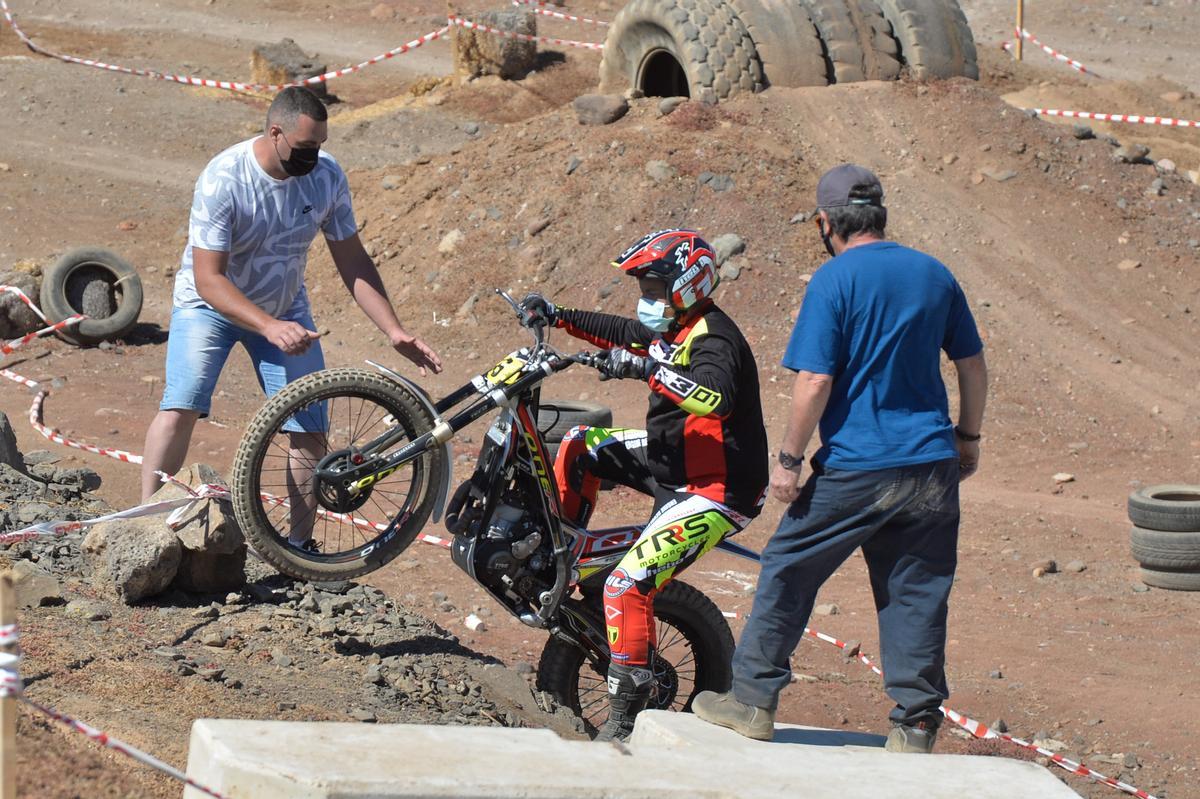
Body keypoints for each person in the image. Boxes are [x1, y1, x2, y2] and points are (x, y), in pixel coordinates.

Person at [693, 165, 988, 753]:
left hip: (858, 465)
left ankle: (751, 700)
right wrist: (968, 438)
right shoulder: (934, 274)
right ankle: (916, 723)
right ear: (880, 213)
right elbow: (972, 365)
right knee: (917, 589)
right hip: (930, 464)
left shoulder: (834, 280)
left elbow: (815, 380)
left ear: (827, 222)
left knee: (788, 567)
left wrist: (789, 460)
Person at [140, 87, 442, 549]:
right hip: (211, 308)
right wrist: (267, 326)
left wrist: (393, 330)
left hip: (285, 308)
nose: (315, 156)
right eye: (306, 148)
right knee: (180, 408)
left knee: (310, 429)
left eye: (320, 145)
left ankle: (301, 549)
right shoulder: (225, 178)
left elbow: (352, 259)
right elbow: (209, 279)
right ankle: (146, 527)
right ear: (275, 133)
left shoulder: (326, 176)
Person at [521, 229, 769, 741]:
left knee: (626, 584)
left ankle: (625, 714)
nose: (647, 301)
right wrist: (558, 314)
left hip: (716, 489)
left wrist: (647, 372)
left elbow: (715, 398)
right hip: (669, 460)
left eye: (654, 290)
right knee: (578, 444)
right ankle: (559, 557)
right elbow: (620, 331)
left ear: (688, 285)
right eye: (644, 290)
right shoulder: (673, 328)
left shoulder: (715, 338)